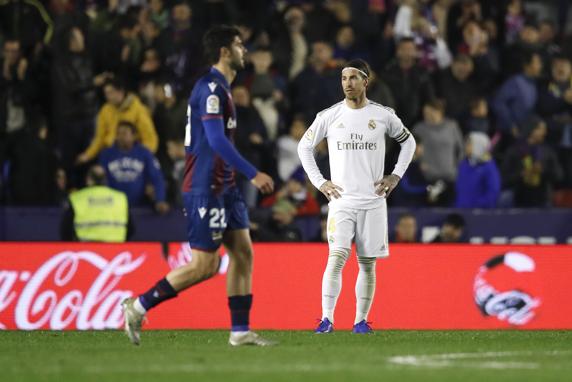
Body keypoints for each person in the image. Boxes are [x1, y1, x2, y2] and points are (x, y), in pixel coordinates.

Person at [121, 25, 275, 347]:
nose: (243, 50)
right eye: (238, 45)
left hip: (225, 186)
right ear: (224, 51)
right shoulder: (211, 89)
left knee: (243, 253)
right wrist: (253, 173)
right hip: (205, 186)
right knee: (206, 265)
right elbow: (217, 140)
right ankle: (138, 306)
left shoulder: (224, 87)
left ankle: (240, 331)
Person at [297, 59, 416, 334]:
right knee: (336, 258)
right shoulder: (330, 115)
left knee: (367, 263)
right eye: (343, 78)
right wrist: (320, 182)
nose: (347, 83)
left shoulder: (383, 115)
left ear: (366, 81)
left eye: (353, 78)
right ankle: (326, 319)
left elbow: (408, 142)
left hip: (373, 202)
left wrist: (395, 175)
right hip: (342, 202)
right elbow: (304, 147)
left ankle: (360, 321)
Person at [76, 78, 158, 165]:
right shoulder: (105, 110)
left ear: (120, 91)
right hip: (111, 155)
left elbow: (150, 139)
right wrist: (88, 154)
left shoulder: (138, 110)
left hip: (131, 156)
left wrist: (141, 157)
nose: (108, 97)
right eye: (106, 94)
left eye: (110, 93)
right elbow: (100, 138)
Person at [99, 121, 169, 213]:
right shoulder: (106, 154)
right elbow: (100, 179)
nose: (120, 137)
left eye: (124, 133)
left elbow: (157, 178)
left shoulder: (144, 153)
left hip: (139, 207)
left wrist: (160, 200)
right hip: (113, 206)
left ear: (134, 136)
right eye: (118, 133)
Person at [60, 165, 133, 242]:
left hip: (86, 250)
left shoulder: (77, 198)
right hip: (115, 249)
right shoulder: (120, 198)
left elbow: (65, 231)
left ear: (89, 180)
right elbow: (131, 229)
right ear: (105, 179)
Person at [455, 132, 501, 208]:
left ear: (479, 146)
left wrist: (474, 206)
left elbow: (493, 193)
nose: (466, 147)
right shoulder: (464, 164)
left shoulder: (489, 167)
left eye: (469, 144)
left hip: (481, 215)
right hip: (461, 213)